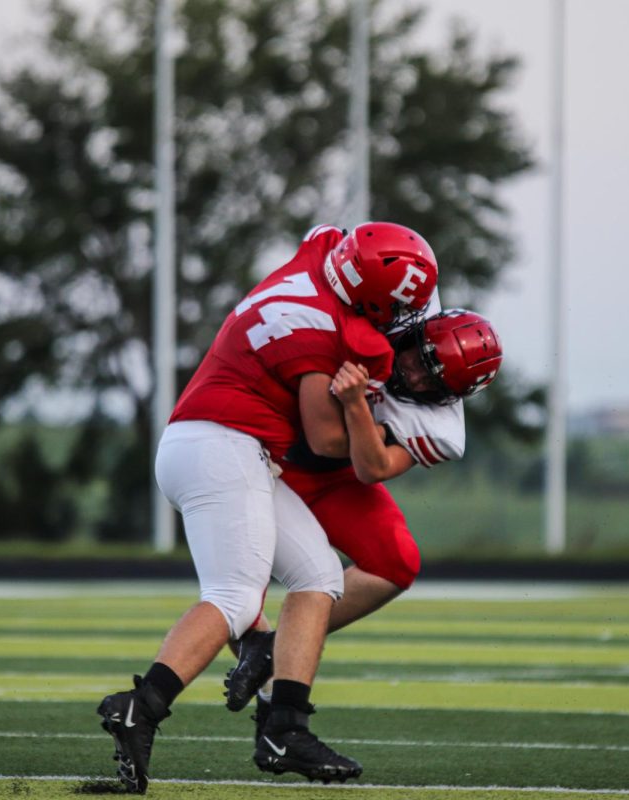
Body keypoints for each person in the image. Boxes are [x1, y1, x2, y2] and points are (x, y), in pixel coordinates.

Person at [95, 222, 438, 793]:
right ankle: (142, 705)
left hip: (215, 443)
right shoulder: (325, 331)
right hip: (223, 446)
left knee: (319, 576)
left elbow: (323, 232)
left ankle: (284, 727)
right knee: (233, 598)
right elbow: (328, 442)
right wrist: (359, 403)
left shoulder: (320, 258)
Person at [222, 309, 504, 725]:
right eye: (418, 359)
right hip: (262, 437)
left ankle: (271, 657)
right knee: (240, 589)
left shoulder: (442, 430)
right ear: (413, 331)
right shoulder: (400, 305)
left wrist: (355, 402)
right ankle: (256, 695)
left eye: (434, 383)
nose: (415, 378)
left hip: (333, 469)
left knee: (396, 560)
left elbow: (372, 469)